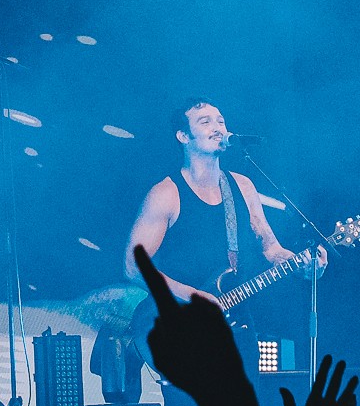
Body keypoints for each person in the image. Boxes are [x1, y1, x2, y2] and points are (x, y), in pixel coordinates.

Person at [125, 102, 302, 311]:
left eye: (221, 121)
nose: (218, 128)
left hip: (233, 317)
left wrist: (300, 263)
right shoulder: (165, 194)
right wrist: (192, 295)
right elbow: (133, 267)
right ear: (183, 136)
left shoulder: (243, 186)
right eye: (205, 122)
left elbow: (271, 248)